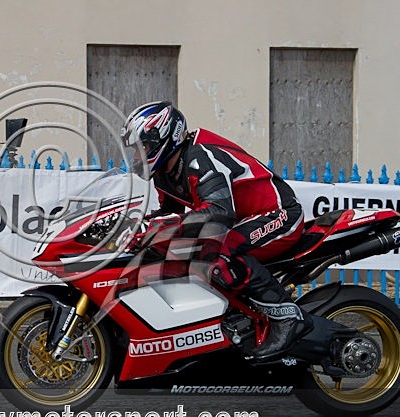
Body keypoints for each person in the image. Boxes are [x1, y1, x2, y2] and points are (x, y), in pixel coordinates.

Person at [120, 101, 312, 362]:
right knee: (175, 250)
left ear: (164, 137)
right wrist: (134, 226)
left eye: (143, 147)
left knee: (219, 250)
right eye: (136, 150)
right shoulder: (165, 172)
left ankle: (287, 317)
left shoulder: (200, 156)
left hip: (280, 215)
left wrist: (164, 226)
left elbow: (219, 211)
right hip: (243, 221)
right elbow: (169, 213)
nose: (137, 156)